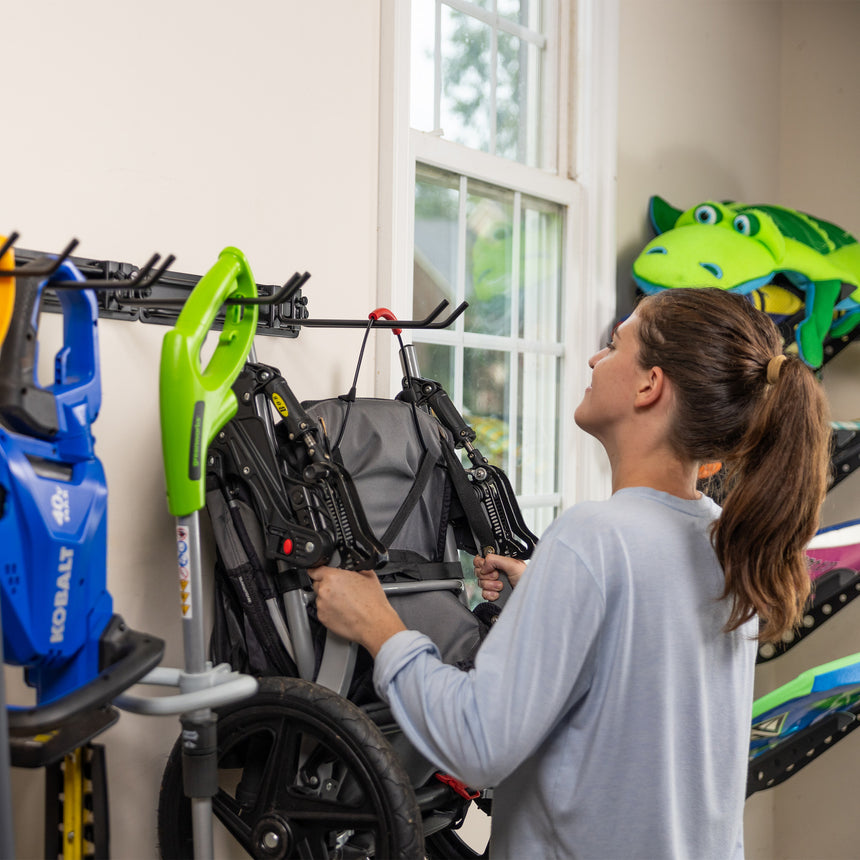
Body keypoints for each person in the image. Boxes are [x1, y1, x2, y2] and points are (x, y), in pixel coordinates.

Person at [307, 287, 831, 859]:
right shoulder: (726, 542)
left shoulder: (596, 539)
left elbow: (476, 745)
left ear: (649, 385)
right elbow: (646, 682)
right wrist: (547, 594)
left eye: (613, 345)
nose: (593, 360)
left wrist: (378, 624)